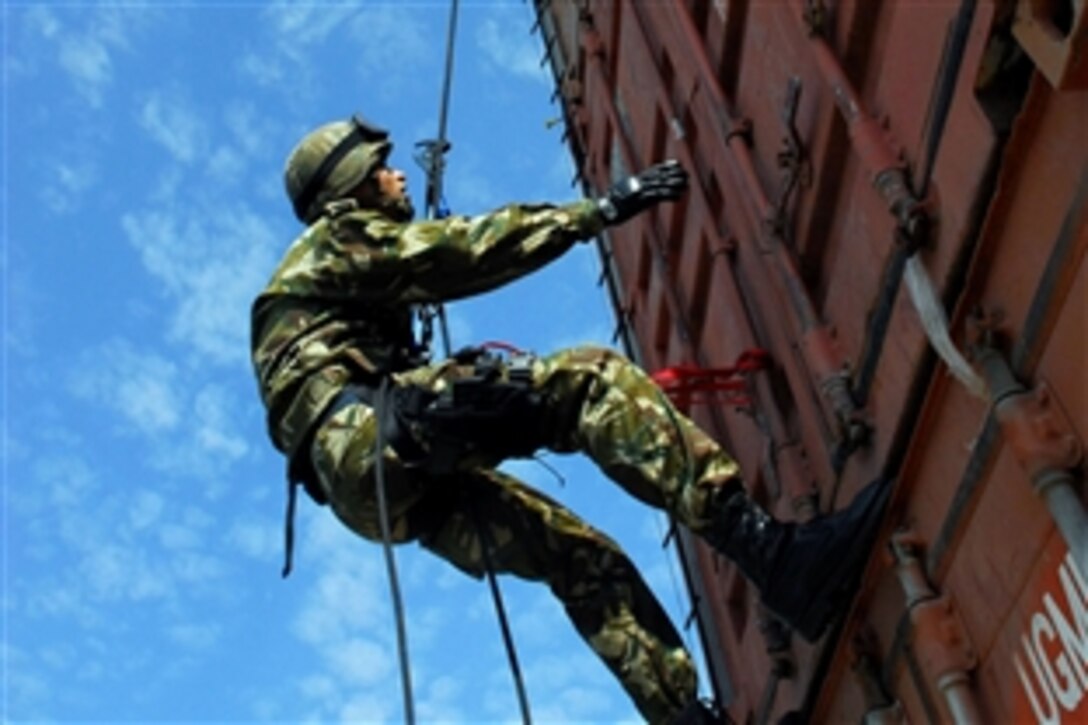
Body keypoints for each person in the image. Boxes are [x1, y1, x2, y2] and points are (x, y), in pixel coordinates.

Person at [250, 115, 890, 724]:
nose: (398, 177)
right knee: (588, 381)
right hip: (371, 436)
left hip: (371, 489)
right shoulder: (338, 238)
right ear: (350, 186)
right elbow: (460, 252)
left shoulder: (328, 277)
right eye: (383, 168)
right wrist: (596, 212)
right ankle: (775, 557)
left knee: (580, 559)